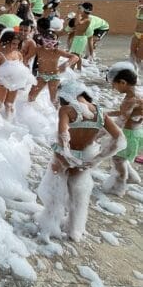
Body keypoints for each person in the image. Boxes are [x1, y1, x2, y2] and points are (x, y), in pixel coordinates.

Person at [37, 81, 125, 242]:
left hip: (64, 157)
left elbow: (63, 135)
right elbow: (119, 139)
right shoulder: (100, 113)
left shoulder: (66, 110)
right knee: (77, 195)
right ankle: (74, 231)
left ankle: (50, 227)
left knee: (55, 193)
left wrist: (67, 154)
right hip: (86, 157)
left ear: (67, 95)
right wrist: (99, 158)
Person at [105, 63, 142, 195]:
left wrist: (103, 132)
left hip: (128, 134)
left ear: (123, 82)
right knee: (122, 158)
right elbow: (125, 114)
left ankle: (120, 186)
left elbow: (122, 119)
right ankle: (132, 178)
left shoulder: (130, 100)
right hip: (136, 132)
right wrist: (107, 113)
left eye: (114, 84)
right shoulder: (136, 95)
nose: (113, 88)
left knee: (117, 159)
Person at [28, 26, 79, 106]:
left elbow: (75, 57)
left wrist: (66, 64)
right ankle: (31, 110)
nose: (49, 44)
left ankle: (57, 112)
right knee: (31, 96)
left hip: (54, 76)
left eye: (52, 42)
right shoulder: (38, 50)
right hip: (41, 75)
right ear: (42, 40)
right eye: (46, 41)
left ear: (56, 42)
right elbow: (27, 57)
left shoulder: (57, 51)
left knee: (53, 99)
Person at [0, 30, 34, 115]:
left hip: (14, 83)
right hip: (1, 82)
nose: (16, 46)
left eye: (17, 44)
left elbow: (21, 69)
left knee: (9, 105)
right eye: (13, 43)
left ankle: (8, 121)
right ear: (6, 42)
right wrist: (3, 77)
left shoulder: (18, 54)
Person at [68, 4, 92, 69]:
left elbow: (78, 23)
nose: (79, 10)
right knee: (75, 54)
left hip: (81, 39)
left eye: (81, 9)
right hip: (77, 38)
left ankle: (73, 69)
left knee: (76, 55)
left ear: (84, 10)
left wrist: (78, 13)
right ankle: (77, 69)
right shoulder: (82, 17)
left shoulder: (87, 19)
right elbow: (75, 23)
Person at [130, 0, 143, 71]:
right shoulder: (139, 8)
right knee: (132, 54)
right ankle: (132, 72)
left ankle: (139, 74)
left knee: (139, 57)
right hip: (136, 33)